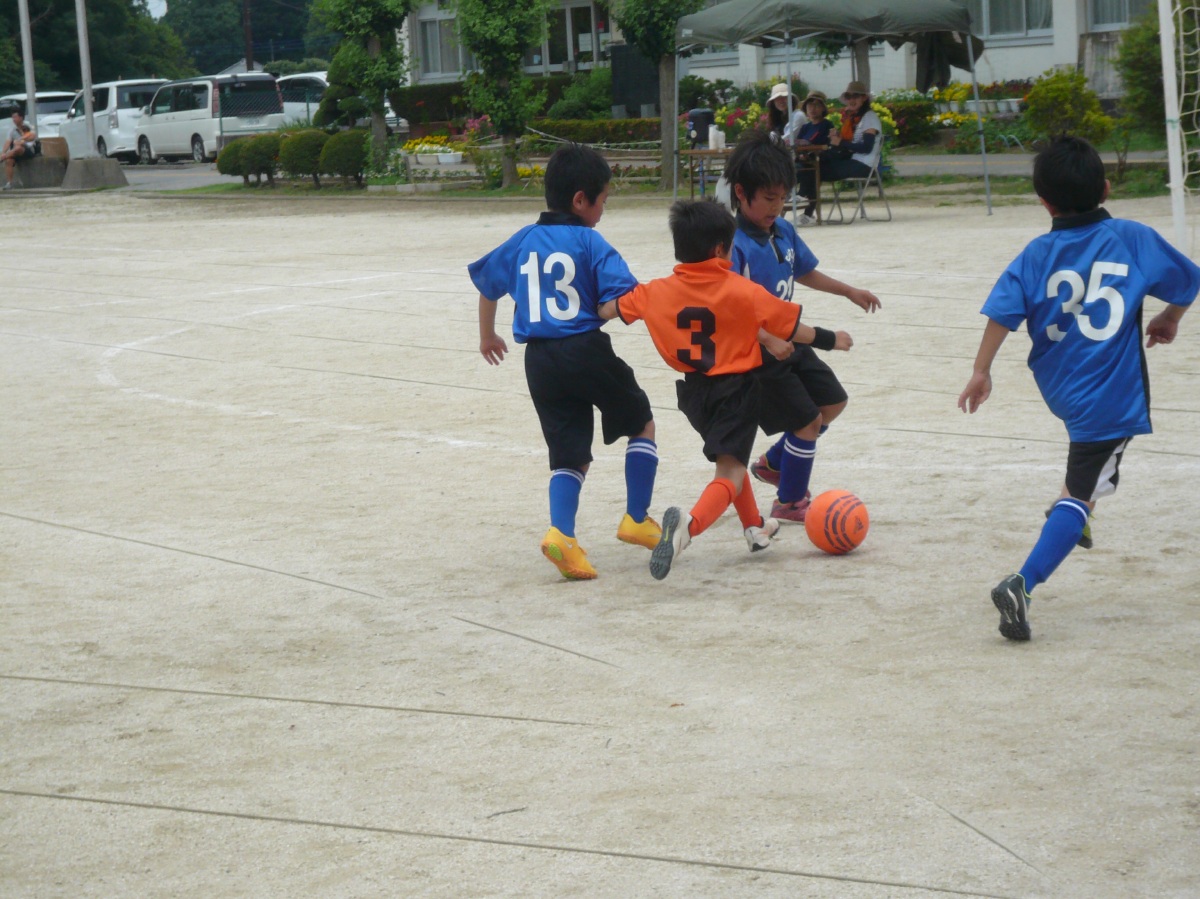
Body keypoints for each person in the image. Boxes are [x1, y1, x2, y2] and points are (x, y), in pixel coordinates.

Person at [958, 136, 1200, 642]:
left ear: (1043, 202)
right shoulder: (1131, 237)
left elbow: (1002, 312)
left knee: (1087, 474)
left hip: (1061, 384)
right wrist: (1170, 317)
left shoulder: (1035, 253)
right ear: (1106, 188)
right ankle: (1024, 581)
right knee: (1083, 487)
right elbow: (1189, 279)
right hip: (1109, 393)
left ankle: (1072, 512)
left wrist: (981, 371)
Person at [600, 199, 853, 579]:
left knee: (730, 456)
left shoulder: (654, 292)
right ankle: (688, 527)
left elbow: (608, 310)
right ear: (720, 249)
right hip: (736, 391)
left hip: (694, 394)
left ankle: (755, 528)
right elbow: (791, 329)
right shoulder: (742, 290)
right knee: (730, 472)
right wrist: (832, 339)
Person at [468, 143, 660, 581]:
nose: (603, 211)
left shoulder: (523, 240)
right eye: (603, 201)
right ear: (580, 200)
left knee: (569, 456)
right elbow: (616, 303)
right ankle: (636, 517)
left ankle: (563, 536)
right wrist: (639, 305)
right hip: (585, 349)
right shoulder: (591, 241)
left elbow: (487, 286)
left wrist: (487, 335)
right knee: (641, 422)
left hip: (539, 362)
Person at [724, 128, 881, 523]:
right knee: (807, 422)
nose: (778, 206)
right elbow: (729, 311)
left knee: (832, 403)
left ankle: (775, 464)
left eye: (783, 198)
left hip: (790, 339)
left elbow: (804, 270)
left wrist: (848, 291)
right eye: (769, 198)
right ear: (741, 193)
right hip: (759, 352)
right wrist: (766, 339)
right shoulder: (733, 245)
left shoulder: (784, 231)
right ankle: (789, 501)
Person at [796, 81, 881, 224]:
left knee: (816, 169)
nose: (851, 100)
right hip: (853, 160)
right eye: (849, 97)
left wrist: (840, 142)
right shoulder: (855, 118)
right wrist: (838, 139)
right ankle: (805, 206)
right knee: (814, 166)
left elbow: (867, 148)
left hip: (864, 164)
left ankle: (804, 202)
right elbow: (849, 144)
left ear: (864, 98)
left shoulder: (869, 117)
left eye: (855, 96)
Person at [1, 110, 38, 191]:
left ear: (21, 118)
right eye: (12, 117)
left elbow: (32, 137)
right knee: (9, 160)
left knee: (18, 147)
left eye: (15, 117)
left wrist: (22, 139)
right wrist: (3, 152)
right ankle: (9, 183)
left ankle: (2, 158)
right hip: (15, 152)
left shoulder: (28, 126)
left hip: (28, 150)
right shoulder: (12, 129)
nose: (13, 119)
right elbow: (7, 142)